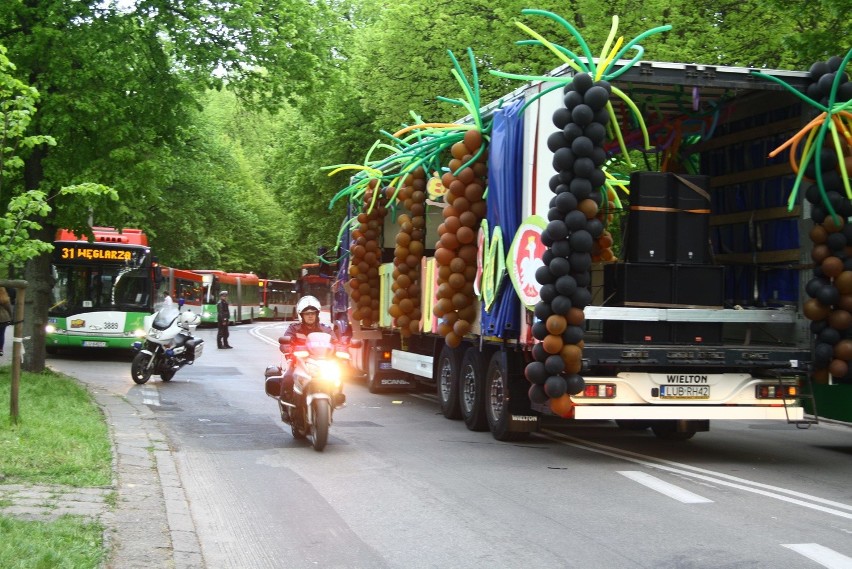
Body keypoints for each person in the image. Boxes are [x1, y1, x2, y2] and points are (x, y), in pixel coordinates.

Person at [278, 296, 335, 403]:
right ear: (301, 315)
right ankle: (286, 404)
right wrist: (288, 349)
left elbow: (336, 342)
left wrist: (342, 348)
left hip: (321, 364)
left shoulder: (325, 329)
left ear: (317, 314)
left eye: (312, 313)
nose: (310, 316)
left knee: (337, 376)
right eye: (307, 314)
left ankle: (336, 398)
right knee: (288, 378)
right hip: (299, 363)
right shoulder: (293, 329)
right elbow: (285, 342)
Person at [0, 287, 12, 357]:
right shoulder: (5, 298)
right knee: (1, 334)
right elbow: (9, 308)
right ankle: (0, 349)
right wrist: (11, 317)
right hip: (3, 318)